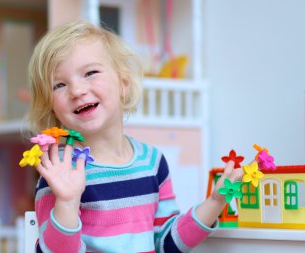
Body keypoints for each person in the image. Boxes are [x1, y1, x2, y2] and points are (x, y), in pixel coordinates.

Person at [26, 19, 243, 253]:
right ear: (51, 107)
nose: (77, 91)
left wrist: (215, 202)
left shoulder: (152, 162)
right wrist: (66, 203)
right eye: (59, 85)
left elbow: (166, 243)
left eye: (90, 73)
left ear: (124, 84)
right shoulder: (60, 169)